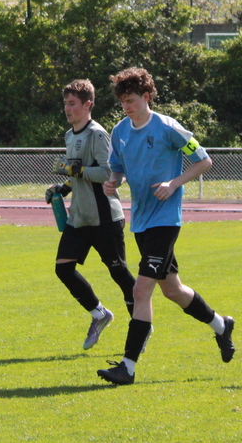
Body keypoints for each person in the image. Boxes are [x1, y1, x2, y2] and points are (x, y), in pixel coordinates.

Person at [95, 67, 233, 386]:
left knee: (141, 290)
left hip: (165, 220)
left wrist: (174, 183)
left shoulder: (168, 128)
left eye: (131, 100)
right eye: (122, 102)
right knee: (172, 289)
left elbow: (204, 160)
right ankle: (221, 325)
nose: (126, 107)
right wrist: (113, 182)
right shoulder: (120, 131)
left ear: (147, 97)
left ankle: (127, 367)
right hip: (141, 221)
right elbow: (117, 169)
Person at [48, 78, 135, 349]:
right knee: (63, 269)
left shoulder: (97, 134)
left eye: (72, 103)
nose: (67, 108)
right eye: (65, 103)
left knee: (119, 273)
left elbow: (108, 173)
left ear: (88, 105)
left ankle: (141, 326)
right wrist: (62, 188)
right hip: (80, 217)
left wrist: (73, 171)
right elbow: (77, 174)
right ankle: (99, 314)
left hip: (104, 218)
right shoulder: (69, 135)